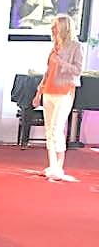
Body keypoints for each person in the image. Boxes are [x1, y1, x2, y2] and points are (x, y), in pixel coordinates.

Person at [32, 13, 84, 181]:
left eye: (55, 26)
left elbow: (78, 70)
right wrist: (38, 93)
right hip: (49, 91)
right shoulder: (54, 47)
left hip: (64, 92)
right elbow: (48, 72)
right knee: (48, 130)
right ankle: (52, 165)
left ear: (64, 27)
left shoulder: (76, 46)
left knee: (56, 129)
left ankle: (59, 166)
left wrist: (61, 61)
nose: (52, 29)